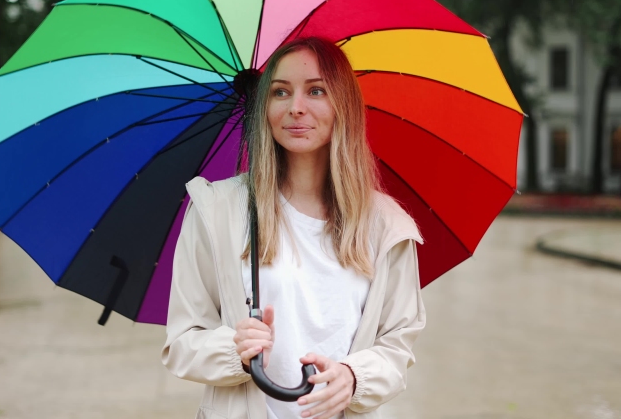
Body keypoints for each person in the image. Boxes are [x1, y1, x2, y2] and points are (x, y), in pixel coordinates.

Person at [162, 36, 425, 419]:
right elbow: (182, 342)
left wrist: (355, 377)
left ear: (343, 106)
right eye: (280, 92)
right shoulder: (217, 210)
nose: (295, 108)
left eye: (316, 90)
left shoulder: (386, 225)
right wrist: (233, 349)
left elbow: (397, 347)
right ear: (264, 108)